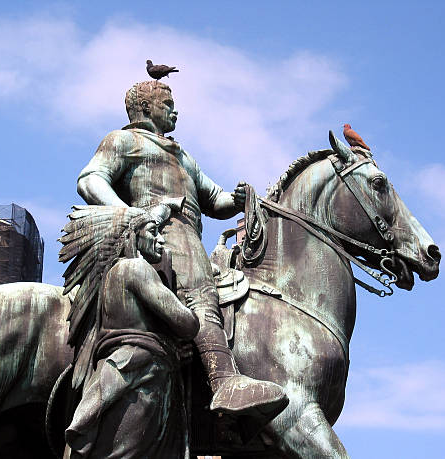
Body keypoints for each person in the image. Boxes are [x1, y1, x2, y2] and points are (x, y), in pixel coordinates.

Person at [76, 80, 287, 423]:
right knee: (200, 294)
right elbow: (90, 180)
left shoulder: (182, 155)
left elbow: (214, 199)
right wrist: (132, 216)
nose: (176, 110)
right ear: (145, 109)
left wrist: (238, 198)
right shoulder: (123, 141)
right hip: (161, 232)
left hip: (189, 234)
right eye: (168, 103)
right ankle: (224, 381)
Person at [60, 202, 198, 458]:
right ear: (134, 235)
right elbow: (187, 324)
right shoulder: (136, 269)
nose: (160, 240)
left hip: (118, 371)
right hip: (141, 376)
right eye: (153, 232)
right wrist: (191, 308)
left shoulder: (110, 277)